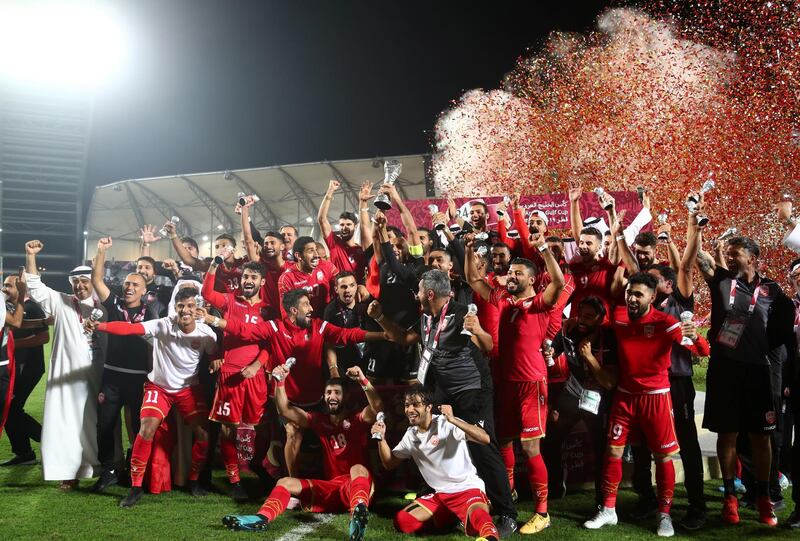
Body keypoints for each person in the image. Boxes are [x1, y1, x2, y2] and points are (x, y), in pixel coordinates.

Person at [368, 269, 519, 537]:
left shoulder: (460, 313)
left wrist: (479, 329)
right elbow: (403, 338)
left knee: (484, 446)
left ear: (429, 293)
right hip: (442, 388)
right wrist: (380, 318)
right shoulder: (426, 315)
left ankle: (507, 513)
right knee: (431, 431)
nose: (415, 295)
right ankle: (436, 495)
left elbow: (487, 346)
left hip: (472, 388)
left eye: (418, 290)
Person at [203, 288, 386, 477]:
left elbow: (346, 334)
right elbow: (245, 331)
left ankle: (340, 475)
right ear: (293, 310)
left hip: (316, 400)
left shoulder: (318, 326)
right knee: (292, 433)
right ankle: (293, 484)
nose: (311, 308)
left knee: (340, 429)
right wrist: (213, 320)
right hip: (289, 402)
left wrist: (382, 336)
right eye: (306, 304)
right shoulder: (275, 328)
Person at [584, 272, 709, 537]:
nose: (631, 298)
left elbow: (703, 351)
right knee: (614, 452)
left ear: (652, 297)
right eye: (630, 292)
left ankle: (664, 515)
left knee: (663, 457)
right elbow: (597, 323)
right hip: (625, 396)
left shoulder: (666, 323)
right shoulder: (618, 315)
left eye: (638, 294)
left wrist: (695, 337)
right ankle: (608, 510)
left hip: (657, 397)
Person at [465, 234, 566, 534]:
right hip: (505, 383)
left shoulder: (538, 304)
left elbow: (558, 284)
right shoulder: (502, 299)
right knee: (504, 442)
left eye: (518, 273)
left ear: (532, 279)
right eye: (510, 273)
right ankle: (506, 496)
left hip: (532, 384)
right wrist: (470, 249)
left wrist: (544, 249)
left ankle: (542, 512)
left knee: (531, 447)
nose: (511, 276)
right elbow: (473, 279)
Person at [87, 287, 218, 508]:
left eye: (190, 306)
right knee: (146, 429)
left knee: (203, 435)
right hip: (159, 388)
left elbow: (214, 354)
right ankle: (135, 488)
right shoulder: (163, 324)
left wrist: (217, 360)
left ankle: (194, 481)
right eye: (181, 306)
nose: (185, 311)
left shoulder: (207, 334)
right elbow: (129, 329)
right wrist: (99, 326)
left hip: (188, 390)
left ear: (198, 309)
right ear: (175, 308)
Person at [222, 365, 381, 541]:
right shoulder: (320, 421)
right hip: (332, 488)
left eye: (337, 392)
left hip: (359, 487)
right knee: (284, 482)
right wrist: (280, 382)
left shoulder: (357, 418)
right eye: (328, 393)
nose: (332, 397)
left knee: (358, 468)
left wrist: (362, 380)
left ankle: (357, 515)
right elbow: (285, 410)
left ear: (346, 396)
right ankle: (261, 518)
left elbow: (377, 407)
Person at [701, 236, 796, 526]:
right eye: (727, 254)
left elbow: (783, 334)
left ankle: (764, 497)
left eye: (735, 254)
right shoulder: (721, 281)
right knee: (727, 435)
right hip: (725, 372)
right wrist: (694, 223)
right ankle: (730, 497)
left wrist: (780, 371)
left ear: (752, 258)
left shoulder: (773, 290)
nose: (729, 259)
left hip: (758, 372)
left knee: (761, 438)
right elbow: (699, 259)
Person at [23, 240, 105, 489]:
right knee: (65, 424)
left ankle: (103, 468)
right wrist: (31, 255)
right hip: (66, 379)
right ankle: (69, 472)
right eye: (76, 283)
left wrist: (101, 253)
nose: (80, 286)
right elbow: (35, 287)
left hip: (97, 377)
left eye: (84, 282)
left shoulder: (104, 307)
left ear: (92, 283)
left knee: (97, 424)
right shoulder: (61, 302)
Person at [373, 385, 500, 541]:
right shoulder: (410, 435)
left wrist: (453, 420)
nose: (410, 409)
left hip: (468, 489)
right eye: (407, 405)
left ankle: (490, 536)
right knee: (402, 521)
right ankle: (452, 518)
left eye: (416, 404)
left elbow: (484, 438)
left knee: (480, 517)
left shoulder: (446, 423)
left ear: (429, 407)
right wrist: (381, 439)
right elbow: (389, 463)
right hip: (440, 496)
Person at [90, 237, 158, 493]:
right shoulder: (114, 303)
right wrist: (101, 251)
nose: (129, 287)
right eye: (127, 283)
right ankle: (108, 469)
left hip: (139, 377)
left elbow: (154, 346)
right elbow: (97, 280)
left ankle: (133, 468)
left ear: (144, 291)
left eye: (135, 285)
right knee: (105, 423)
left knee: (137, 426)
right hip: (112, 375)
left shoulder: (151, 314)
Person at [201, 259, 270, 501]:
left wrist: (256, 365)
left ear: (262, 281)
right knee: (228, 429)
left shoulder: (268, 309)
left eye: (253, 277)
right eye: (245, 277)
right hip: (230, 374)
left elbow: (270, 343)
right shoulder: (230, 299)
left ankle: (259, 466)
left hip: (256, 376)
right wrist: (213, 266)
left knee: (260, 428)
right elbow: (207, 293)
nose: (248, 281)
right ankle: (235, 480)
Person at [540, 296, 618, 509]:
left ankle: (602, 502)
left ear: (600, 318)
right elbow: (553, 351)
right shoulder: (570, 329)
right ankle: (556, 483)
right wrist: (549, 352)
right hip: (573, 392)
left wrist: (590, 358)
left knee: (601, 448)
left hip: (599, 398)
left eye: (589, 317)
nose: (583, 320)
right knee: (551, 437)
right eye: (581, 314)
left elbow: (609, 382)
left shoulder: (609, 338)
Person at [1, 275, 47, 466]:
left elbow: (44, 337)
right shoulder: (9, 308)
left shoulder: (32, 307)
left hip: (29, 367)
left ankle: (46, 440)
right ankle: (24, 452)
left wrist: (13, 344)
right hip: (14, 367)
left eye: (9, 286)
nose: (5, 289)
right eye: (4, 285)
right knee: (10, 410)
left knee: (11, 410)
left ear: (21, 289)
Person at [318, 180, 368, 282]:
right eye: (341, 225)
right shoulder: (334, 243)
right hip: (337, 293)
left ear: (355, 226)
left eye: (348, 224)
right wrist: (330, 191)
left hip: (357, 294)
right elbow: (322, 219)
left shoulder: (361, 250)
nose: (344, 227)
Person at [278, 236, 339, 317]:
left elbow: (343, 284)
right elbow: (287, 315)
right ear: (298, 256)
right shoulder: (286, 279)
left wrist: (359, 287)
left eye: (316, 250)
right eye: (311, 251)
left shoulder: (328, 267)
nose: (316, 255)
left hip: (326, 320)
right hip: (303, 325)